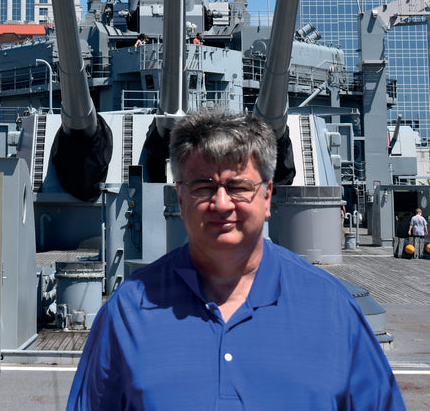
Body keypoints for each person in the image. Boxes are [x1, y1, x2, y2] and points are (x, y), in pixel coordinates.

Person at [67, 107, 405, 410]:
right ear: (180, 198)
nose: (222, 203)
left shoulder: (332, 308)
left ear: (267, 196)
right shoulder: (128, 311)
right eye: (203, 187)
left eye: (239, 187)